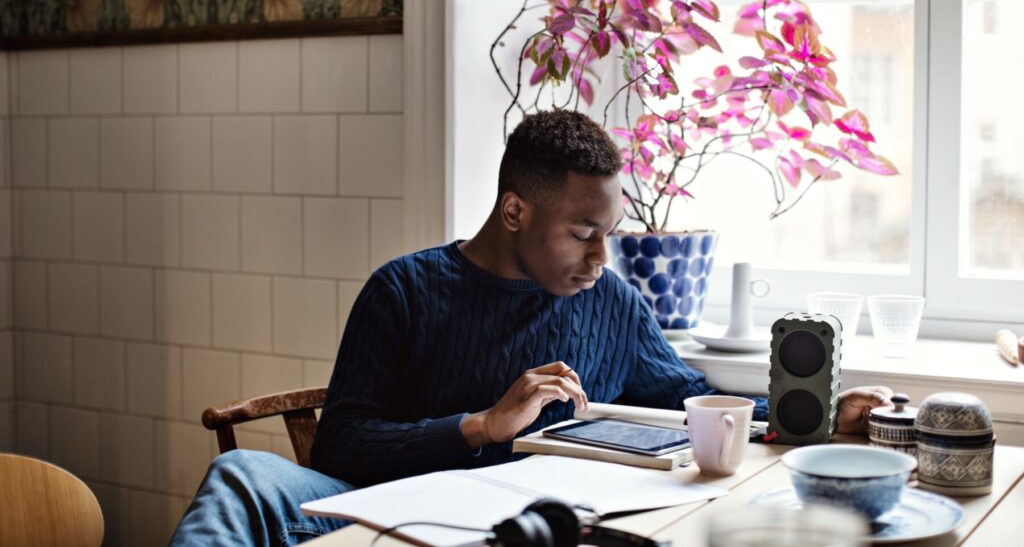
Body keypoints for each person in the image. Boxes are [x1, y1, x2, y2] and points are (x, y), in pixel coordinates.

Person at [170, 109, 891, 545]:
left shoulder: (608, 298)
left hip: (535, 527)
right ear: (515, 211)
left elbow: (686, 395)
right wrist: (481, 425)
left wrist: (823, 414)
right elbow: (343, 443)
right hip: (393, 512)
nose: (602, 256)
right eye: (583, 231)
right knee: (241, 473)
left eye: (609, 231)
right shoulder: (406, 290)